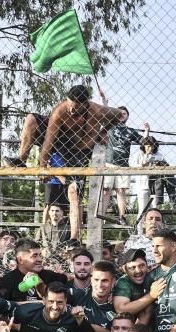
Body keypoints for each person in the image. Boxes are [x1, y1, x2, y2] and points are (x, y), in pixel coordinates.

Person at [38, 85, 125, 241]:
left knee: (74, 193)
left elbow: (119, 114)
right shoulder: (60, 111)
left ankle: (74, 238)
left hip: (80, 154)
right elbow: (47, 143)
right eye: (70, 105)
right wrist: (43, 167)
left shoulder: (96, 110)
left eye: (75, 107)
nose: (71, 110)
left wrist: (104, 131)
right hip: (61, 148)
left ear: (85, 104)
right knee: (50, 201)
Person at [103, 108, 149, 224]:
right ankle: (102, 214)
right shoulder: (110, 125)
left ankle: (122, 216)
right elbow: (105, 110)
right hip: (109, 163)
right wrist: (102, 98)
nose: (122, 115)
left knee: (121, 191)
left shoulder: (130, 131)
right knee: (106, 190)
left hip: (123, 165)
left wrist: (147, 131)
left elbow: (143, 142)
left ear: (127, 116)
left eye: (124, 113)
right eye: (119, 113)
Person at [0, 238, 67, 303]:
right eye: (34, 256)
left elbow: (69, 282)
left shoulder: (50, 276)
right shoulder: (6, 282)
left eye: (40, 255)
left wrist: (42, 287)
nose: (40, 259)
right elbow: (1, 309)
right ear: (20, 260)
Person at [112, 248, 164, 325]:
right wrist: (151, 296)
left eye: (142, 266)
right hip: (131, 327)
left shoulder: (152, 275)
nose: (138, 271)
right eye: (132, 267)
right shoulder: (124, 282)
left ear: (147, 266)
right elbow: (121, 309)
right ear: (125, 269)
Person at [136, 136, 176, 208]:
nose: (150, 148)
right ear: (144, 146)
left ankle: (171, 199)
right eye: (148, 146)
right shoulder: (140, 155)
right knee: (142, 208)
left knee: (154, 208)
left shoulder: (159, 155)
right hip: (143, 185)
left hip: (155, 185)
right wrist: (142, 164)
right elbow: (132, 167)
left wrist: (159, 164)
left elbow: (166, 168)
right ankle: (142, 219)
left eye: (152, 146)